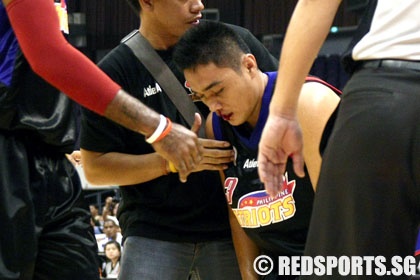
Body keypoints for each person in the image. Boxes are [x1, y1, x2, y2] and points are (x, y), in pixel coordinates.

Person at [1, 0, 203, 278]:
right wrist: (158, 127)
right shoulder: (121, 63)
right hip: (7, 154)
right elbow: (48, 56)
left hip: (49, 157)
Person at [79, 0, 278, 279]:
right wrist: (170, 161)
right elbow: (95, 167)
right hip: (154, 234)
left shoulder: (231, 42)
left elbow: (280, 105)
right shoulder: (114, 71)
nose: (198, 5)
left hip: (237, 226)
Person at [257, 0, 420, 278]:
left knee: (347, 269)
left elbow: (315, 4)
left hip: (389, 90)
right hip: (388, 95)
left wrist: (282, 112)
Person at [173, 20, 340, 280]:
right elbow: (237, 214)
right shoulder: (216, 126)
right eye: (201, 97)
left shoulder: (308, 104)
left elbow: (342, 216)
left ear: (249, 65)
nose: (213, 104)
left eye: (218, 90)